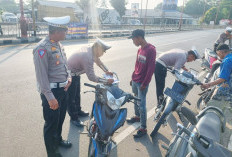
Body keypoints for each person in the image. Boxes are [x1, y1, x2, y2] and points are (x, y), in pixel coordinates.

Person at [33, 16, 72, 157]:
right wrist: (50, 97)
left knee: (60, 118)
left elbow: (64, 65)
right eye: (65, 31)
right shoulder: (41, 49)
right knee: (51, 123)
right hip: (51, 92)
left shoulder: (59, 44)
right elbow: (41, 76)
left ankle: (58, 140)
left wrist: (68, 77)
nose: (66, 33)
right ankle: (52, 152)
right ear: (56, 31)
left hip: (63, 89)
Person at [67, 38, 114, 127]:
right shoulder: (87, 56)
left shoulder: (91, 50)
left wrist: (106, 70)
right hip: (69, 75)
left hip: (75, 74)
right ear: (98, 48)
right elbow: (91, 77)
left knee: (77, 94)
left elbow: (98, 61)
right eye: (103, 51)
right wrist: (106, 81)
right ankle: (74, 118)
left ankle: (78, 111)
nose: (103, 53)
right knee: (71, 98)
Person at [126, 29, 156, 138]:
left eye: (133, 39)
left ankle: (143, 128)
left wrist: (145, 83)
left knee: (142, 105)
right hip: (135, 79)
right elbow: (137, 64)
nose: (133, 41)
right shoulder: (140, 49)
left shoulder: (151, 50)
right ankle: (137, 116)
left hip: (142, 83)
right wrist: (132, 77)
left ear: (139, 38)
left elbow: (151, 68)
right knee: (135, 99)